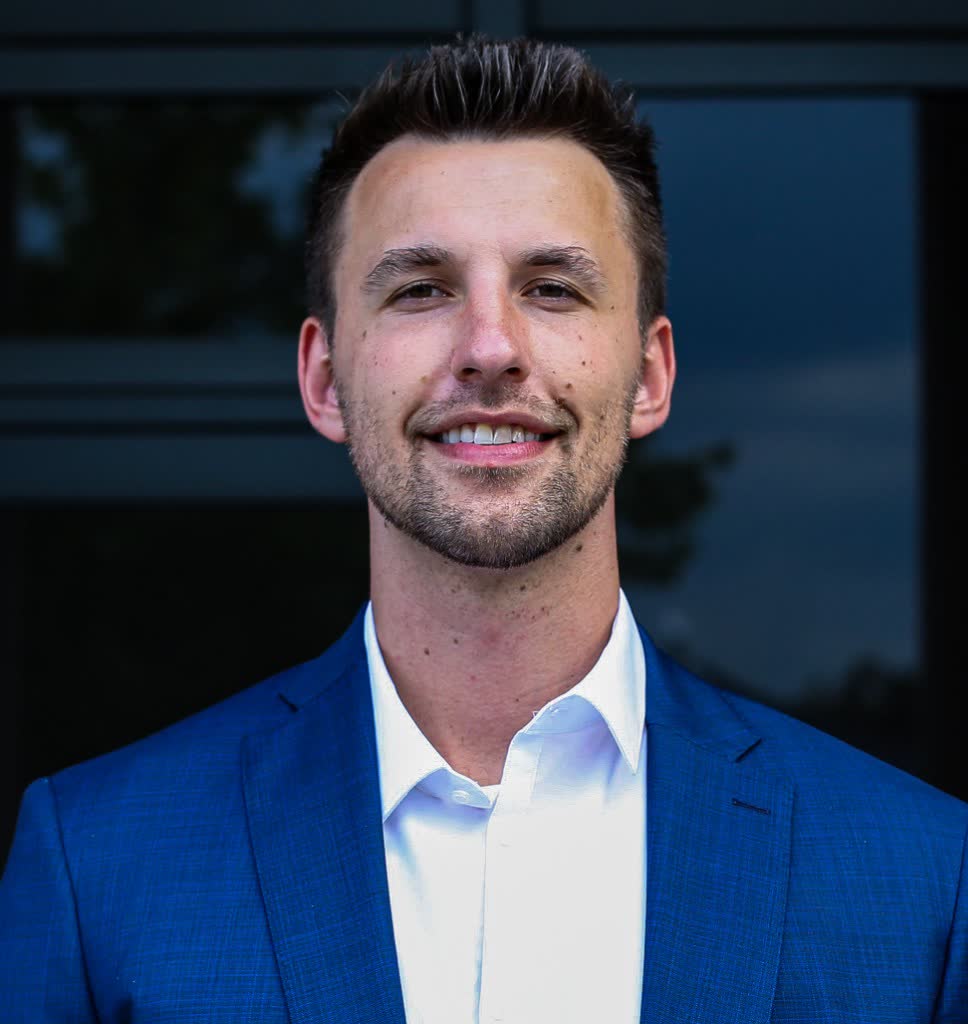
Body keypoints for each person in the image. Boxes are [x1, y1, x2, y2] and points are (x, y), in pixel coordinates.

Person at [1, 36, 965, 1023]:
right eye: (421, 288)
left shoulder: (924, 882)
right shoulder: (96, 867)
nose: (490, 348)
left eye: (552, 287)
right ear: (324, 379)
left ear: (649, 375)